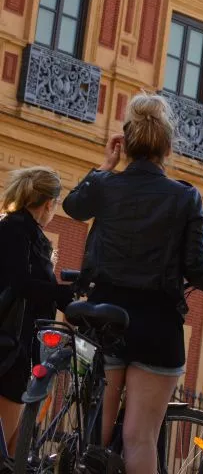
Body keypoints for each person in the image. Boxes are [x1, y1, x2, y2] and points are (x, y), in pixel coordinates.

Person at [62, 93, 203, 473]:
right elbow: (197, 269)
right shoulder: (185, 197)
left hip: (103, 320)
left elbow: (73, 207)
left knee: (94, 436)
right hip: (157, 326)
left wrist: (104, 167)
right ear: (169, 148)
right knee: (139, 438)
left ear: (126, 143)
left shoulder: (106, 186)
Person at [0, 167, 72, 454]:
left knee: (16, 450)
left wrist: (67, 299)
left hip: (19, 349)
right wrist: (64, 294)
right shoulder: (15, 230)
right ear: (47, 204)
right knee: (6, 448)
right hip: (9, 349)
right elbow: (21, 284)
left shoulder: (24, 233)